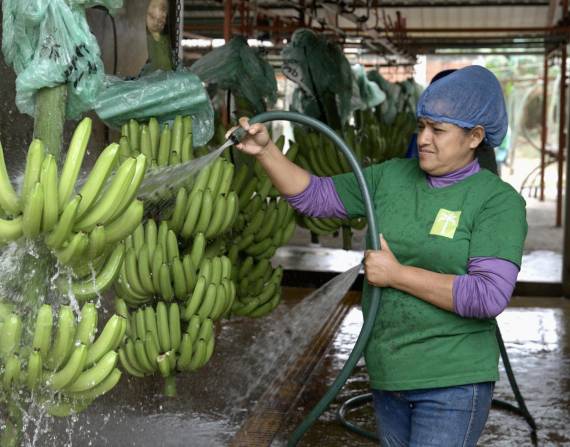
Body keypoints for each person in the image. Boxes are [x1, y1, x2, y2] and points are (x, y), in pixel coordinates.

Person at [231, 65, 527, 447]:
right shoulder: (390, 178)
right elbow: (316, 197)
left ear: (474, 137)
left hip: (452, 380)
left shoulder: (497, 202)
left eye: (438, 130)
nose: (423, 139)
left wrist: (397, 275)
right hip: (389, 373)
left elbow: (488, 296)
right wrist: (266, 151)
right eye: (421, 126)